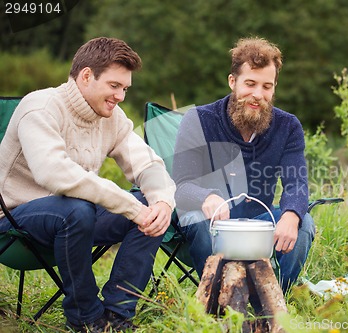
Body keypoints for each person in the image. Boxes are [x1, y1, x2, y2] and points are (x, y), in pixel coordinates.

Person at [0, 37, 176, 332]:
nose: (120, 96)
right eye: (114, 86)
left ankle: (117, 315)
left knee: (150, 209)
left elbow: (147, 163)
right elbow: (54, 174)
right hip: (15, 222)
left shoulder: (111, 118)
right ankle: (85, 318)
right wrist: (130, 206)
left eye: (125, 88)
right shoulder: (40, 107)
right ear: (85, 76)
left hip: (74, 220)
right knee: (79, 209)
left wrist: (161, 201)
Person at [172, 37, 314, 293]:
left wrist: (292, 214)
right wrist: (206, 197)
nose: (258, 95)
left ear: (274, 88)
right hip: (211, 225)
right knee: (194, 216)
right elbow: (181, 187)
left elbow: (297, 183)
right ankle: (216, 295)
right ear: (232, 81)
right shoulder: (200, 120)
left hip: (258, 226)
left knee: (303, 222)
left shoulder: (288, 126)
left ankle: (272, 299)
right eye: (250, 84)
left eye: (266, 86)